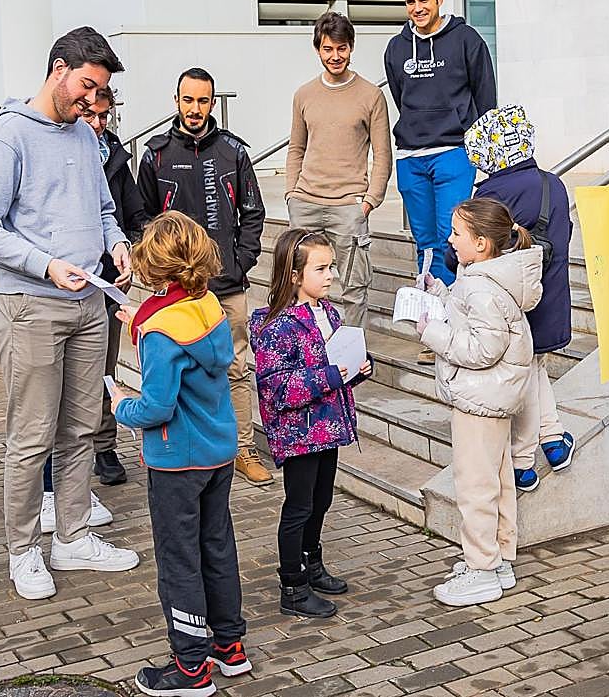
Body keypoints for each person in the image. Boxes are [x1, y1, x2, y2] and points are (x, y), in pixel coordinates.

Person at [0, 26, 140, 601]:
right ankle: (23, 551)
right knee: (32, 433)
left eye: (100, 92)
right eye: (87, 86)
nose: (93, 101)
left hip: (90, 300)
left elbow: (105, 209)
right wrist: (44, 265)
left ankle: (72, 536)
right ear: (59, 69)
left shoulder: (88, 139)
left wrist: (116, 243)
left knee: (81, 428)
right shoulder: (8, 137)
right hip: (30, 305)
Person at [111, 211, 251, 697]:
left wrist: (120, 406)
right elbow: (177, 331)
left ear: (154, 267)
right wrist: (140, 322)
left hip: (177, 460)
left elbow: (156, 405)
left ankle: (189, 667)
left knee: (178, 560)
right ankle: (229, 646)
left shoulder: (160, 330)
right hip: (217, 452)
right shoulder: (208, 304)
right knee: (217, 545)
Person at [137, 68, 271, 486]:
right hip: (175, 293)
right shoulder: (155, 154)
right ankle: (183, 451)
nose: (195, 109)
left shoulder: (234, 152)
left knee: (234, 370)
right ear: (176, 101)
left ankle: (243, 449)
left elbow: (254, 213)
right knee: (175, 372)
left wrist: (240, 262)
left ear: (213, 103)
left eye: (203, 101)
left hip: (227, 288)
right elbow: (143, 217)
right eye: (188, 100)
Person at [417, 198, 541, 607]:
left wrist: (432, 332)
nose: (450, 240)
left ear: (482, 244)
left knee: (476, 485)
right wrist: (440, 294)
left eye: (457, 234)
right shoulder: (483, 277)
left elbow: (481, 349)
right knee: (498, 479)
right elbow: (472, 316)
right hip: (492, 396)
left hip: (479, 398)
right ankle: (500, 557)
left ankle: (481, 568)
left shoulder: (483, 286)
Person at [248, 229, 373, 619]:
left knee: (322, 500)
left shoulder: (329, 313)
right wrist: (333, 376)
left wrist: (355, 370)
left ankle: (312, 562)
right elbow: (277, 389)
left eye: (331, 266)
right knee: (299, 506)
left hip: (329, 427)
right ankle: (292, 585)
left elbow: (335, 364)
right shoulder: (277, 327)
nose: (331, 274)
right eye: (321, 268)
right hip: (299, 434)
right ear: (294, 275)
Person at [38, 87, 147, 532]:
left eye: (106, 116)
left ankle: (74, 494)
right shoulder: (40, 146)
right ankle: (45, 496)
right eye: (92, 115)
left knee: (83, 400)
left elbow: (117, 214)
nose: (99, 124)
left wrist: (122, 249)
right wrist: (46, 265)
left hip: (99, 289)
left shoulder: (109, 155)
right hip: (49, 293)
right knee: (48, 405)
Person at [458, 106, 575, 493]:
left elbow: (473, 247)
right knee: (536, 369)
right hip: (550, 297)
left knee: (524, 377)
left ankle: (523, 463)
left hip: (513, 306)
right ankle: (554, 441)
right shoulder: (553, 184)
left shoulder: (492, 194)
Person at [384, 0, 496, 362]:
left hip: (454, 153)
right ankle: (433, 330)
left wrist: (484, 156)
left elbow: (486, 100)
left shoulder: (466, 40)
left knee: (455, 242)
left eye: (423, 0)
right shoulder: (397, 49)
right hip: (412, 158)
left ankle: (456, 326)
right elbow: (402, 98)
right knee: (426, 245)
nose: (416, 8)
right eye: (410, 2)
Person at [286, 12, 393, 327]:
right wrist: (292, 194)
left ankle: (351, 354)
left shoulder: (371, 95)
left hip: (349, 206)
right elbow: (296, 148)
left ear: (351, 47)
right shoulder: (304, 95)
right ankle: (309, 346)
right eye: (328, 49)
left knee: (354, 288)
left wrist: (369, 201)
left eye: (342, 48)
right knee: (300, 285)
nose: (335, 56)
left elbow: (383, 154)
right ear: (318, 49)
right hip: (305, 203)